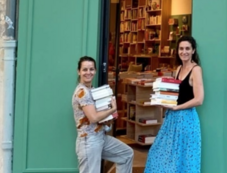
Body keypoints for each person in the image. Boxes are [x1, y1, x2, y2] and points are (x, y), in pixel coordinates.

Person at [145, 36, 204, 173]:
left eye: (187, 49)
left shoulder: (196, 70)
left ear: (193, 50)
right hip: (172, 119)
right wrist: (162, 102)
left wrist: (177, 107)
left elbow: (199, 99)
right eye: (181, 49)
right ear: (177, 51)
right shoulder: (178, 69)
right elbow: (176, 96)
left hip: (187, 120)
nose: (184, 52)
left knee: (184, 161)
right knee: (158, 155)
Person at [72, 56, 133, 173]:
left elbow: (96, 116)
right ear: (78, 71)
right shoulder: (82, 92)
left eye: (91, 69)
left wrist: (108, 118)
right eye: (85, 69)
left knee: (126, 155)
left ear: (95, 71)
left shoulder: (91, 90)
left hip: (100, 137)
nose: (88, 72)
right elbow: (93, 117)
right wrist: (112, 109)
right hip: (89, 141)